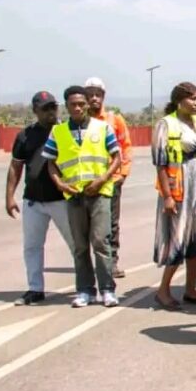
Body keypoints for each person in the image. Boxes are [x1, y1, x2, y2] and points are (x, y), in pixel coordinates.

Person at [44, 86, 123, 308]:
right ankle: (85, 290)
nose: (78, 108)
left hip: (99, 194)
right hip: (74, 196)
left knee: (100, 242)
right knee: (80, 246)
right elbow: (51, 162)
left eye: (81, 103)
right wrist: (60, 184)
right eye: (73, 104)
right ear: (66, 106)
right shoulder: (58, 132)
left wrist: (102, 179)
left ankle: (107, 289)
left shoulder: (102, 128)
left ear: (87, 104)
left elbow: (116, 157)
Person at [5, 91, 75, 305]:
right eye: (45, 109)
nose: (51, 112)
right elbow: (15, 166)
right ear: (35, 111)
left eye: (53, 107)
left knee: (76, 245)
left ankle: (86, 286)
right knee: (32, 246)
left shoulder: (66, 132)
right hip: (34, 201)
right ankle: (35, 289)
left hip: (62, 199)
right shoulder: (25, 136)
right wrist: (9, 197)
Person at [152, 82, 196, 310]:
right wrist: (167, 196)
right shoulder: (166, 124)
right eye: (192, 98)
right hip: (180, 187)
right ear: (179, 100)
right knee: (178, 238)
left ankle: (191, 289)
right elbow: (160, 164)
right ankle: (163, 290)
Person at [84, 77, 133, 279]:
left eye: (98, 94)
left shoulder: (115, 120)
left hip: (111, 181)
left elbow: (126, 147)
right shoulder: (79, 121)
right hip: (86, 182)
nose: (94, 98)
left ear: (103, 96)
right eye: (90, 94)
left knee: (111, 224)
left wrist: (122, 174)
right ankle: (89, 264)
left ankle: (111, 263)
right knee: (86, 226)